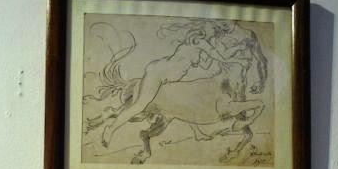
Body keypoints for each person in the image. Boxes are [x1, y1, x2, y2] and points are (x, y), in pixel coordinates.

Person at [101, 25, 242, 147]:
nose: (214, 36)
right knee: (139, 106)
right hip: (159, 74)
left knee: (186, 102)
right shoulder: (200, 42)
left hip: (166, 76)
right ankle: (110, 129)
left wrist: (221, 62)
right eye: (215, 32)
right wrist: (239, 49)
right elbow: (221, 56)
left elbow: (209, 63)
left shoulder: (197, 47)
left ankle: (198, 133)